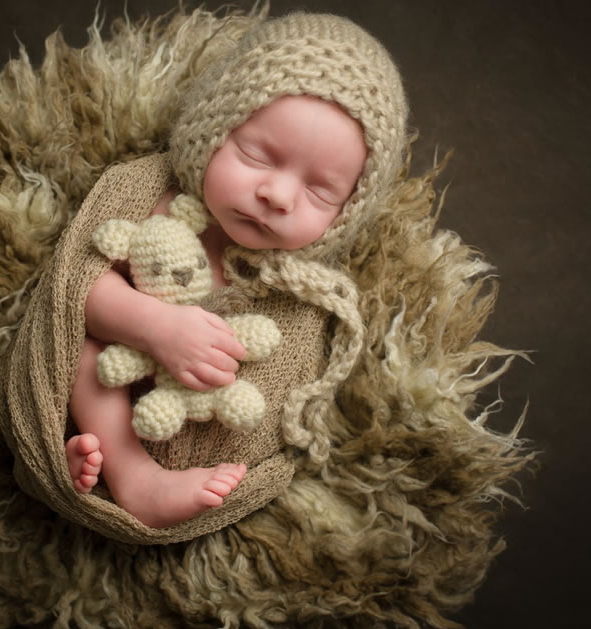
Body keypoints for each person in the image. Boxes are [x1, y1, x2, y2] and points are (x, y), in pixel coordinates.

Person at [64, 12, 409, 529]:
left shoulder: (300, 294)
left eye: (319, 192)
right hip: (115, 394)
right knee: (86, 350)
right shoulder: (149, 197)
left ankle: (117, 474)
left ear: (348, 213)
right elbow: (72, 287)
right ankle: (125, 468)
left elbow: (281, 390)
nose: (278, 195)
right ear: (213, 129)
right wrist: (154, 327)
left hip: (205, 435)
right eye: (256, 154)